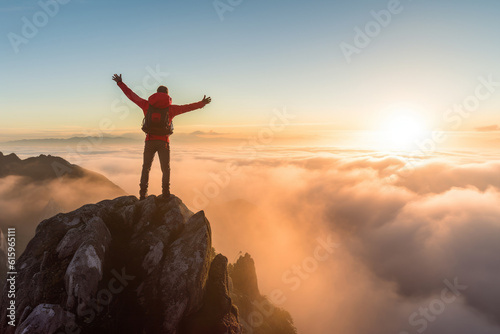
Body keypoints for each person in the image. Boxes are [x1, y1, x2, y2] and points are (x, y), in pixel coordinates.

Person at [112, 73, 211, 200]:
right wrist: (202, 103)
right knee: (166, 168)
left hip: (149, 141)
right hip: (164, 142)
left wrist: (120, 83)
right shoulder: (171, 109)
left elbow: (132, 96)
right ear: (167, 95)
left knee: (146, 168)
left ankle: (143, 194)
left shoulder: (147, 105)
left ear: (156, 94)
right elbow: (188, 107)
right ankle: (165, 193)